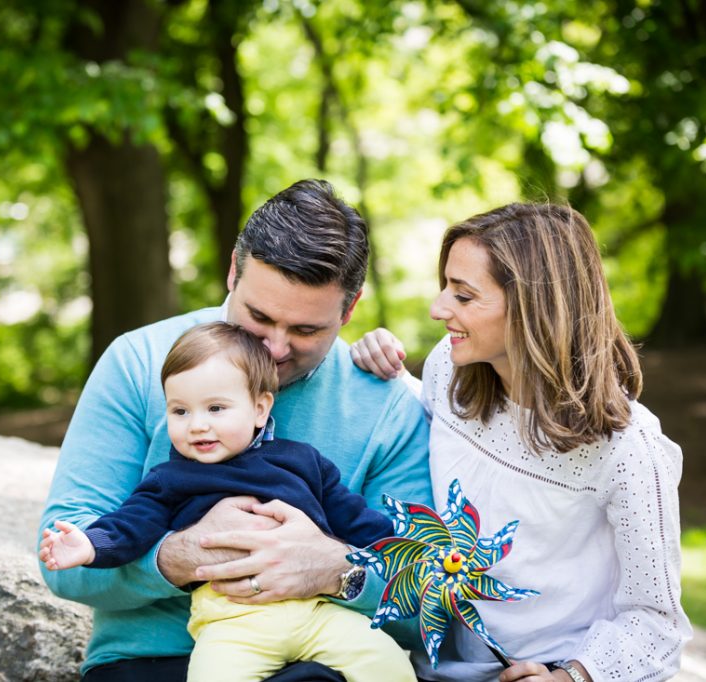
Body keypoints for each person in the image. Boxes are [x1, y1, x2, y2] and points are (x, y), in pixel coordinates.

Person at [39, 179, 433, 681]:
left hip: (320, 657)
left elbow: (429, 594)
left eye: (306, 330)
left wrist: (338, 569)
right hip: (148, 660)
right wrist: (180, 556)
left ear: (349, 310)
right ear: (233, 271)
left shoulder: (385, 406)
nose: (274, 349)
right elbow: (62, 562)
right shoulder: (137, 363)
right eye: (259, 317)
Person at [350, 203, 692, 682]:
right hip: (432, 669)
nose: (438, 308)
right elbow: (414, 441)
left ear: (535, 309)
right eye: (445, 286)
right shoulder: (447, 373)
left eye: (464, 296)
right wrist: (376, 359)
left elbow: (657, 625)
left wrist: (571, 677)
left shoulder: (628, 448)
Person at [40, 322, 415, 682]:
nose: (198, 425)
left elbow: (356, 519)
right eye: (180, 411)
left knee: (383, 662)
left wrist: (399, 551)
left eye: (215, 409)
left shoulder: (303, 462)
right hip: (232, 624)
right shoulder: (172, 479)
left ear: (259, 409)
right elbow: (131, 525)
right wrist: (89, 544)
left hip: (317, 612)